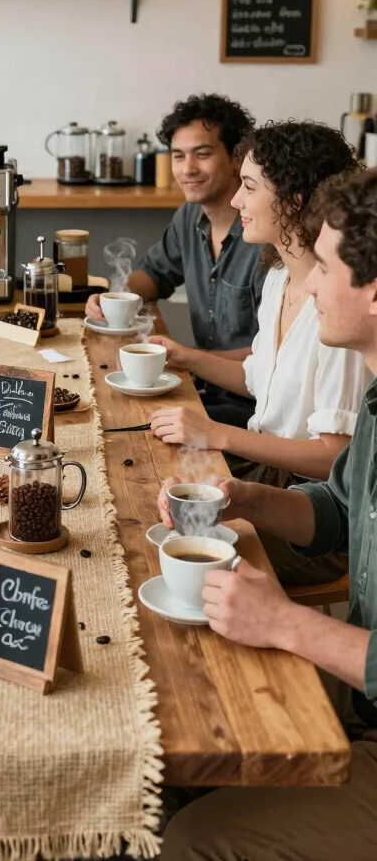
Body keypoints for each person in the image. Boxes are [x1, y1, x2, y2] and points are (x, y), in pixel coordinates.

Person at [156, 167, 377, 861]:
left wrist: (285, 621)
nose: (309, 284)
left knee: (195, 839)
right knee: (179, 736)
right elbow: (338, 510)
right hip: (362, 694)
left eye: (328, 267)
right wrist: (245, 499)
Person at [149, 122, 370, 584]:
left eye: (249, 187)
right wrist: (185, 357)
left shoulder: (341, 319)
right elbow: (258, 376)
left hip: (310, 508)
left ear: (292, 200)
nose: (235, 201)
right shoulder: (279, 279)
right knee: (152, 501)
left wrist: (216, 435)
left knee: (165, 550)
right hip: (267, 480)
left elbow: (336, 459)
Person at [85, 93, 263, 428]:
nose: (187, 169)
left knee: (120, 426)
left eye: (203, 154)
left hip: (250, 409)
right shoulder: (190, 215)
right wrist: (115, 297)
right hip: (201, 389)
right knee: (99, 409)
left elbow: (275, 357)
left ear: (236, 158)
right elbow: (154, 275)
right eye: (178, 156)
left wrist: (189, 360)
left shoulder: (264, 238)